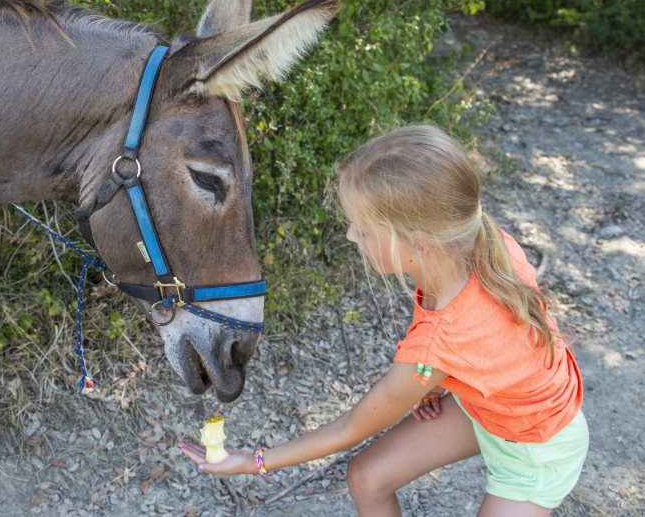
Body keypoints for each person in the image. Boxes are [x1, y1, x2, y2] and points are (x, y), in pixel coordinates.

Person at [179, 125, 588, 516]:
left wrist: (255, 461)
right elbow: (490, 347)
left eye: (364, 229)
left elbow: (351, 428)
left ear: (417, 242)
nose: (352, 237)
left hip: (537, 446)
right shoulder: (469, 241)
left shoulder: (438, 345)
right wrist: (445, 380)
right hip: (487, 408)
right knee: (368, 477)